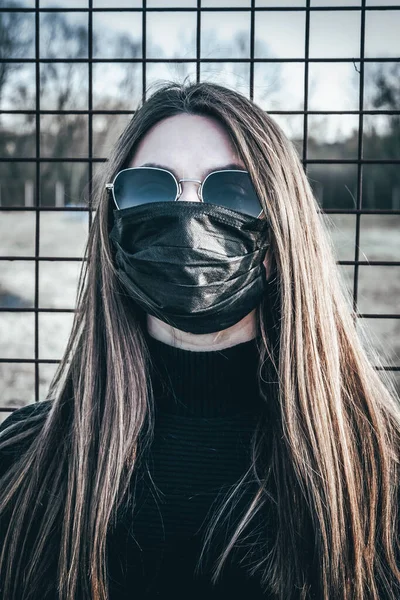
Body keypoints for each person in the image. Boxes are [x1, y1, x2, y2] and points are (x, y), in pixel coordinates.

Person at [0, 81, 399, 600]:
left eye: (231, 190)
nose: (187, 218)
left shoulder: (378, 475)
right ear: (114, 229)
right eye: (151, 188)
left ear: (282, 237)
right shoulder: (22, 467)